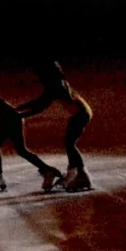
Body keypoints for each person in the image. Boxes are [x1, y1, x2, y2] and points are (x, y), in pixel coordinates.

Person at [15, 60, 93, 191]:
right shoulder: (57, 83)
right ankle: (73, 172)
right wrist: (19, 108)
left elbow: (41, 106)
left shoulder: (56, 86)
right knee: (69, 143)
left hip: (80, 114)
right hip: (81, 112)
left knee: (70, 144)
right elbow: (39, 101)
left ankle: (82, 175)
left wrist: (20, 115)